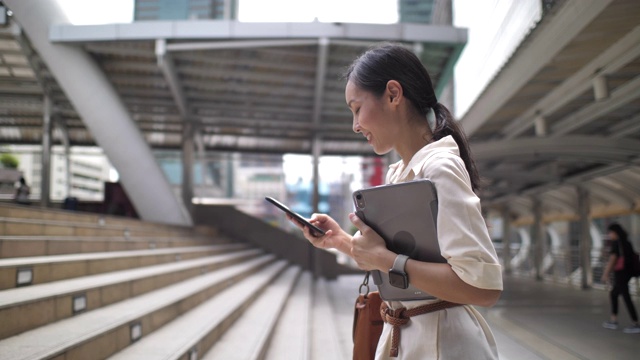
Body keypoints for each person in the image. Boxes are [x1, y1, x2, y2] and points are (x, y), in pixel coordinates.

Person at [288, 43, 503, 359]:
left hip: (443, 345)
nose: (356, 125)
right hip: (412, 340)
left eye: (357, 108)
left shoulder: (438, 168)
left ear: (392, 94)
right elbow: (395, 262)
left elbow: (483, 289)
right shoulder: (400, 174)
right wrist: (342, 242)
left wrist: (387, 260)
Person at [600, 222, 640, 333]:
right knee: (614, 293)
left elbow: (613, 259)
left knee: (625, 297)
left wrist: (605, 274)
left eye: (610, 232)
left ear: (615, 232)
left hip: (621, 273)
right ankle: (614, 320)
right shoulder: (627, 243)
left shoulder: (616, 243)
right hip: (627, 273)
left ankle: (635, 323)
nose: (609, 235)